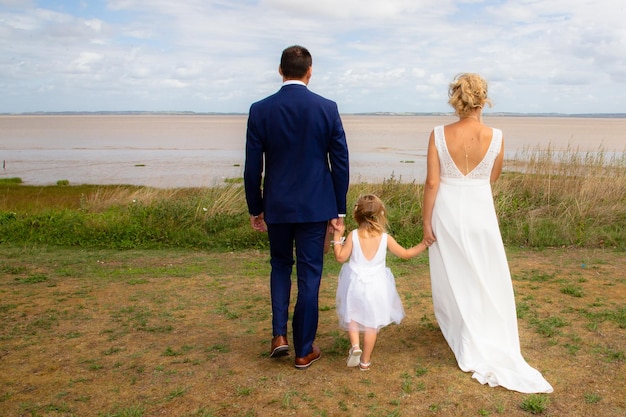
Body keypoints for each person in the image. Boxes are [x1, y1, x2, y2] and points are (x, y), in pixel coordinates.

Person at [422, 73, 553, 393]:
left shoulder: (439, 134)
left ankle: (464, 329)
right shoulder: (496, 136)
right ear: (483, 98)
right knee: (484, 271)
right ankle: (484, 328)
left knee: (454, 272)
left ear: (457, 99)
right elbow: (492, 176)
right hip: (480, 208)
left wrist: (426, 221)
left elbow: (432, 183)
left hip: (448, 208)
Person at [244, 45, 350, 370]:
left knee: (279, 264)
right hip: (316, 207)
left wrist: (255, 206)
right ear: (310, 71)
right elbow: (341, 161)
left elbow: (252, 167)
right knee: (310, 273)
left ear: (280, 70)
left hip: (277, 204)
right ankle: (304, 349)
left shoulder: (260, 109)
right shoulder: (326, 108)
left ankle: (279, 336)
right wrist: (339, 210)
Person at [332, 194, 428, 371]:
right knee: (371, 324)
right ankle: (365, 362)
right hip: (377, 285)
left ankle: (355, 347)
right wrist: (424, 243)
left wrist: (337, 237)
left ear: (356, 214)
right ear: (380, 213)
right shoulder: (385, 238)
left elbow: (340, 257)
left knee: (351, 315)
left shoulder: (353, 235)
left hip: (355, 283)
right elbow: (405, 254)